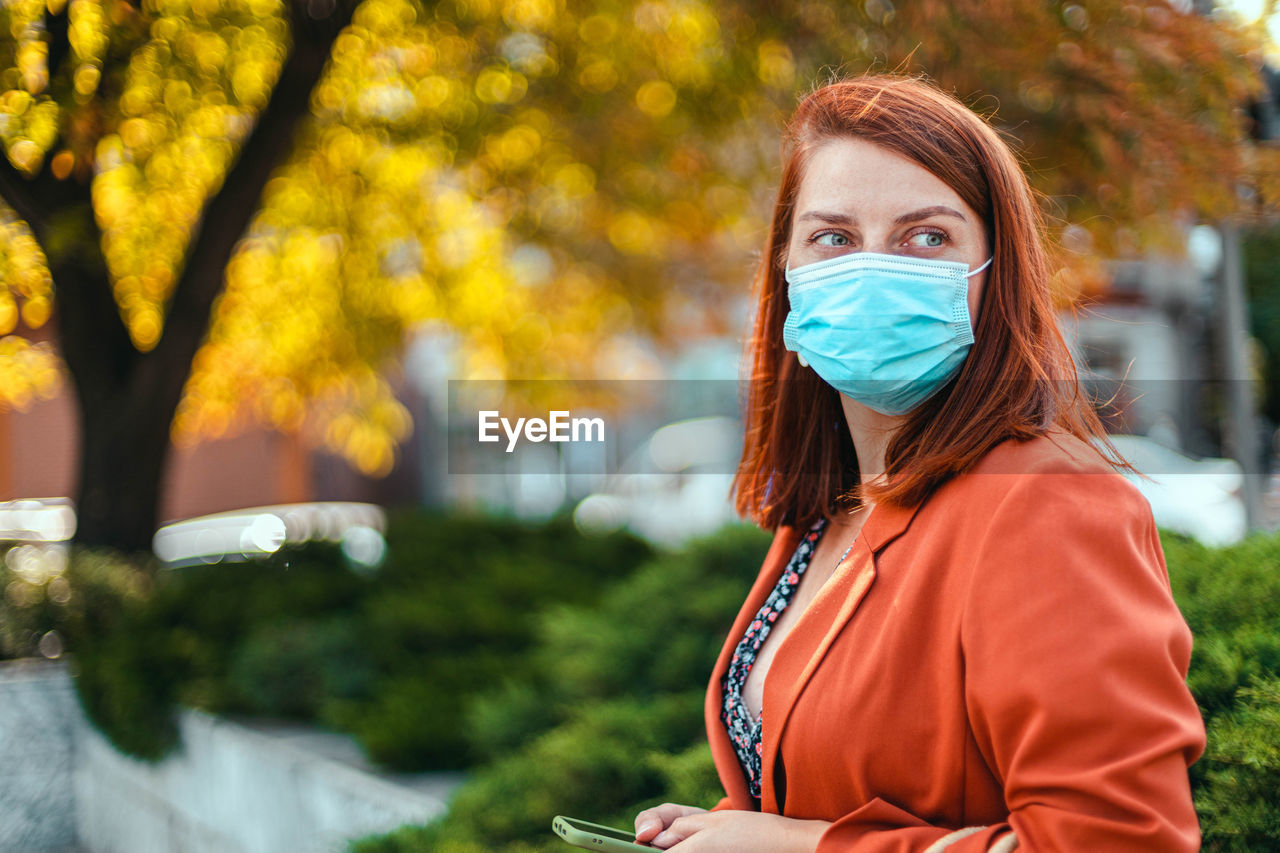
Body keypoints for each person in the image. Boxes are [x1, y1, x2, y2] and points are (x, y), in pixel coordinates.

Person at [632, 74, 1206, 852]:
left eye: (926, 237)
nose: (873, 268)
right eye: (833, 237)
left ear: (991, 272)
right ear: (788, 271)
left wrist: (798, 846)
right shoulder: (830, 511)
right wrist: (732, 826)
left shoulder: (1050, 502)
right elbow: (834, 785)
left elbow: (1118, 842)